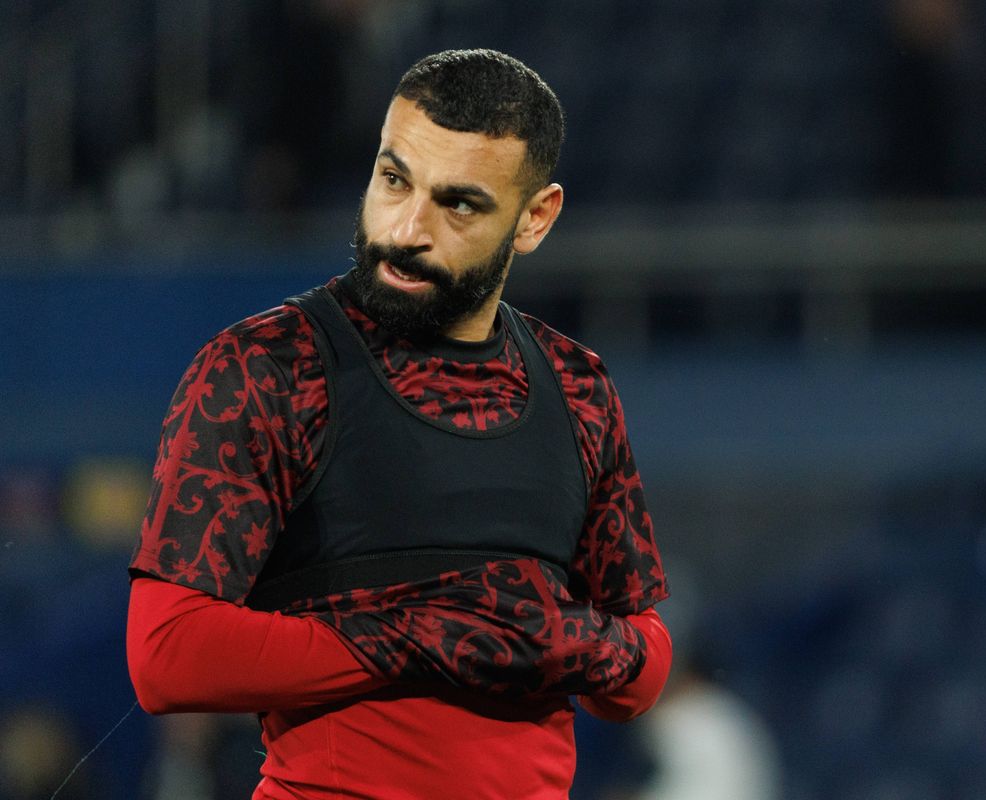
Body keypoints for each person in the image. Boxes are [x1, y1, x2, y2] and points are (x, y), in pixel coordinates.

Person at [126, 49, 671, 800]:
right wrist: (425, 635)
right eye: (393, 179)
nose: (407, 228)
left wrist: (559, 640)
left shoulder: (579, 386)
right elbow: (168, 653)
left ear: (535, 218)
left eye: (460, 204)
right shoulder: (268, 367)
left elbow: (642, 660)